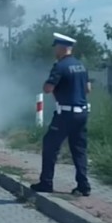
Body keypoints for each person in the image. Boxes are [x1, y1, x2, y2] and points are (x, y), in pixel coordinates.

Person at [30, 32, 92, 197]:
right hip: (82, 113)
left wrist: (51, 85)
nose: (54, 51)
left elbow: (48, 89)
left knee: (50, 146)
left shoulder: (60, 66)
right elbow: (88, 90)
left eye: (56, 48)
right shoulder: (81, 65)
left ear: (62, 48)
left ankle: (46, 183)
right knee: (79, 150)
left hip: (65, 114)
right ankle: (83, 185)